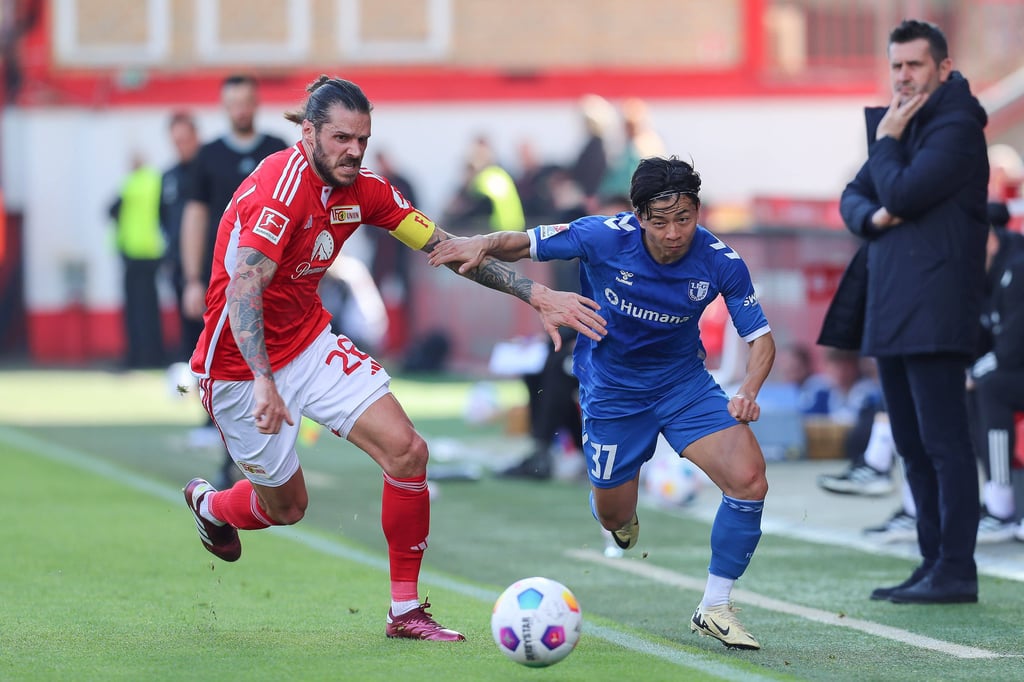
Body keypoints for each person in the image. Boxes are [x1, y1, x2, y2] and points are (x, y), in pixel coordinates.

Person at [181, 75, 607, 643]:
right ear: (308, 134)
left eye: (362, 138)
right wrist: (263, 379)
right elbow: (242, 290)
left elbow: (448, 250)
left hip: (308, 342)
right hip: (239, 366)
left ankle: (404, 611)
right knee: (286, 509)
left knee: (408, 452)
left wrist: (537, 295)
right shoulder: (278, 193)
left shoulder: (369, 191)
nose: (353, 151)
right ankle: (211, 506)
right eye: (340, 139)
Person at [430, 156, 775, 650]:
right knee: (615, 516)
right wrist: (482, 241)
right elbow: (524, 242)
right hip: (613, 392)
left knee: (749, 479)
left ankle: (715, 606)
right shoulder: (602, 236)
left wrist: (748, 390)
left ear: (699, 212)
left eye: (685, 218)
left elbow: (761, 339)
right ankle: (617, 514)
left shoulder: (721, 261)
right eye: (660, 222)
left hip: (684, 386)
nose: (675, 232)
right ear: (638, 217)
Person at [830, 19, 989, 604]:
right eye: (896, 66)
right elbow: (855, 197)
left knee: (945, 444)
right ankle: (931, 563)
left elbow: (898, 191)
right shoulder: (901, 126)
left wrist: (888, 151)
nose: (902, 77)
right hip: (894, 304)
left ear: (942, 68)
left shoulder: (957, 127)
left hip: (938, 306)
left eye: (914, 65)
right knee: (912, 445)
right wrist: (873, 216)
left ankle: (957, 569)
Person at [180, 74, 289, 488]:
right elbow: (195, 216)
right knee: (233, 367)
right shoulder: (208, 157)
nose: (241, 109)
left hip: (272, 280)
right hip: (226, 284)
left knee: (276, 364)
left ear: (256, 102)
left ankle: (268, 456)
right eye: (234, 103)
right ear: (225, 107)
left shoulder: (275, 150)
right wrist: (192, 278)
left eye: (247, 101)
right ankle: (235, 456)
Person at [967, 201, 1024, 543]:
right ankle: (995, 500)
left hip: (1014, 370)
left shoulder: (1016, 269)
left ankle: (1001, 503)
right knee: (975, 387)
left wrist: (974, 372)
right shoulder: (989, 276)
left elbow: (1012, 348)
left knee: (990, 385)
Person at [108, 152, 166, 369]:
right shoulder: (156, 181)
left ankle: (135, 356)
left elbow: (111, 210)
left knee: (134, 311)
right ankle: (154, 356)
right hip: (153, 252)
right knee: (151, 308)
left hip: (133, 253)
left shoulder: (130, 183)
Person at [159, 111, 200, 359]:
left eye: (185, 139)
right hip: (178, 267)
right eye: (176, 141)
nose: (181, 146)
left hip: (209, 267)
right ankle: (193, 383)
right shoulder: (168, 177)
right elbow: (163, 218)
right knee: (188, 330)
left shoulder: (208, 173)